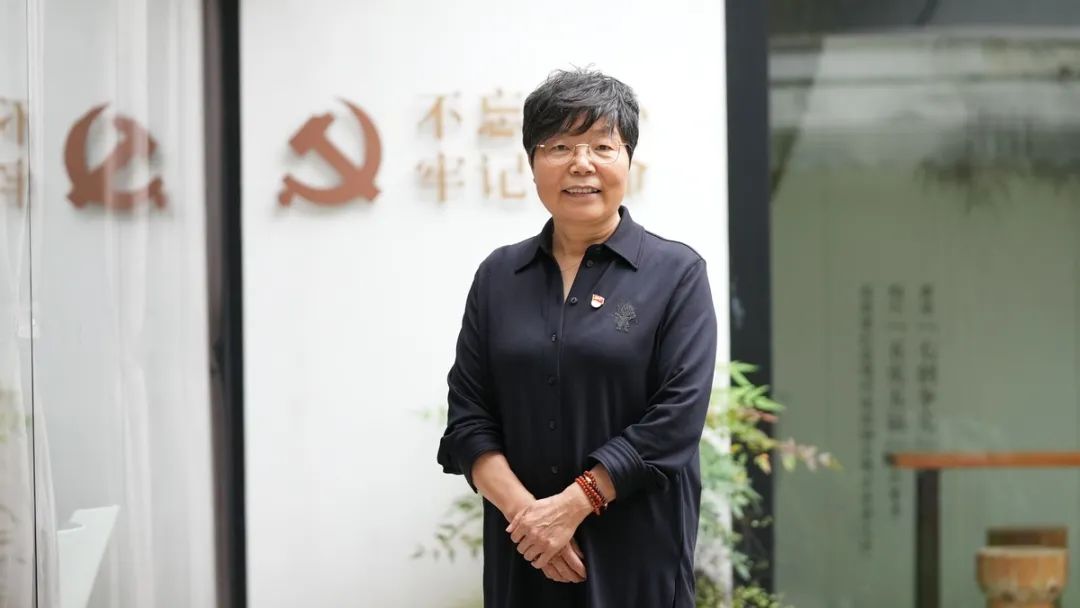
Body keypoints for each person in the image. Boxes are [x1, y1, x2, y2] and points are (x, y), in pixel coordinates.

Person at [437, 67, 717, 608]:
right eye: (559, 146)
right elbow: (468, 420)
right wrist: (532, 520)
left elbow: (676, 420)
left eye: (601, 147)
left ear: (628, 159)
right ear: (532, 163)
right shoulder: (498, 277)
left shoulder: (676, 274)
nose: (580, 163)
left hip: (637, 553)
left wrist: (574, 504)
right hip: (525, 555)